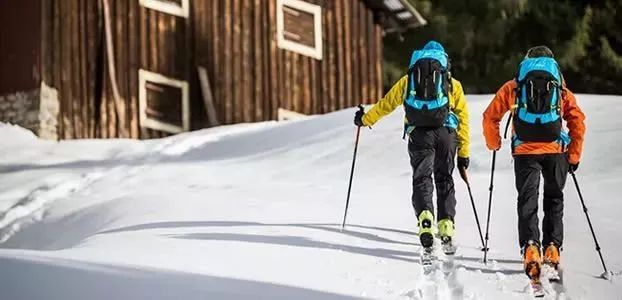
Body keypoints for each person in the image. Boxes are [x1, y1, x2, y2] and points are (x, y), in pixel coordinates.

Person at [354, 41, 470, 252]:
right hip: (446, 134)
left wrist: (365, 120)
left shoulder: (409, 80)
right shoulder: (452, 84)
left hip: (419, 135)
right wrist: (464, 153)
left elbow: (386, 105)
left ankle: (425, 217)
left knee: (422, 177)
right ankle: (446, 225)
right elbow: (463, 118)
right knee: (445, 177)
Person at [482, 46, 586, 280]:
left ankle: (530, 247)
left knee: (527, 199)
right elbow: (577, 120)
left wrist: (494, 143)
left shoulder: (515, 86)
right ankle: (552, 248)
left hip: (524, 151)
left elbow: (490, 117)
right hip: (555, 150)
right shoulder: (560, 88)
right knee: (554, 198)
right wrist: (574, 155)